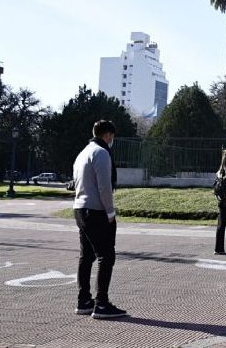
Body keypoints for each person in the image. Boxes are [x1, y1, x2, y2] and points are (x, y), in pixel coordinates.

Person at [72, 120, 127, 319]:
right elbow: (104, 186)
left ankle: (83, 300)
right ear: (108, 135)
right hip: (96, 210)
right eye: (112, 136)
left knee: (86, 256)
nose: (112, 140)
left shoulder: (82, 152)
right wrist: (110, 212)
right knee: (106, 255)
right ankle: (101, 303)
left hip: (80, 208)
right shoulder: (102, 153)